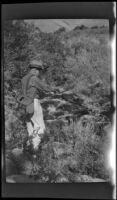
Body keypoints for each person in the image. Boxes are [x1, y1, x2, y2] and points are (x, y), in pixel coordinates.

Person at [18, 60, 53, 150]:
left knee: (30, 125)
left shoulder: (24, 78)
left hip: (26, 104)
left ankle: (29, 144)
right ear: (36, 70)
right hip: (34, 102)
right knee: (39, 126)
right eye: (40, 71)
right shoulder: (34, 78)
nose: (39, 73)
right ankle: (35, 147)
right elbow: (47, 88)